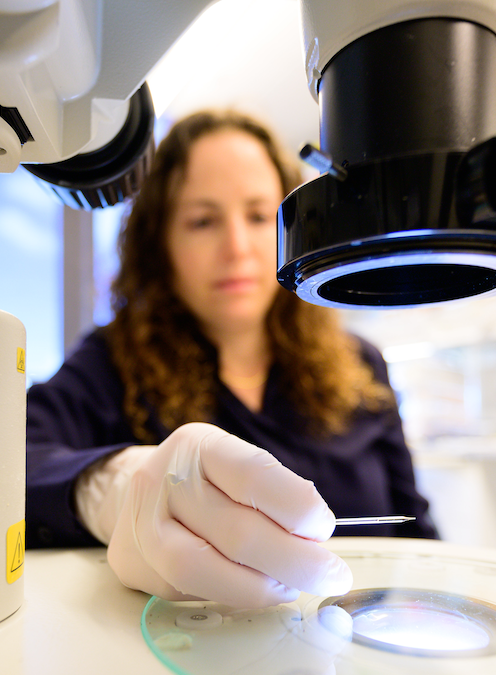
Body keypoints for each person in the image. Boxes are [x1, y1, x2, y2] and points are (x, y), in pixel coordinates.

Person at [26, 109, 438, 609]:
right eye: (202, 221)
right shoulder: (112, 363)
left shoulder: (361, 366)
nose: (237, 248)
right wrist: (111, 486)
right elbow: (9, 461)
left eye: (260, 216)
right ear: (161, 243)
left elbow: (420, 536)